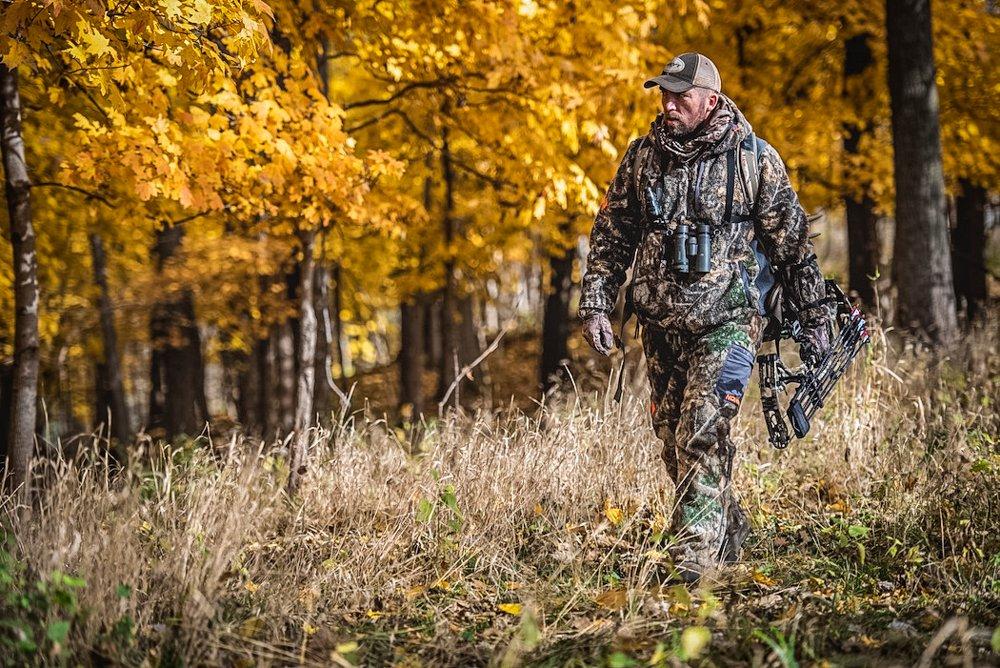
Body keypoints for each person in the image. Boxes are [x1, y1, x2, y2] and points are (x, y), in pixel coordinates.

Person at [579, 52, 831, 582]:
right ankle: (727, 523)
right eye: (664, 94)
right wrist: (597, 303)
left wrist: (814, 316)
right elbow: (611, 234)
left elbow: (793, 244)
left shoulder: (752, 158)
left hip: (729, 322)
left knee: (702, 432)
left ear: (710, 101)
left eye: (680, 95)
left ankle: (690, 563)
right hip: (661, 326)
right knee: (672, 440)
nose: (668, 104)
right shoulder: (643, 157)